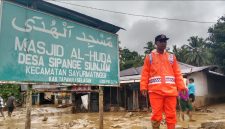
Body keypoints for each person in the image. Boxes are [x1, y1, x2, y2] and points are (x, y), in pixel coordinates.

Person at [140, 34, 187, 129]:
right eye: (161, 41)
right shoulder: (149, 57)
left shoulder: (171, 57)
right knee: (156, 115)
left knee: (171, 114)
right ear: (156, 43)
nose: (163, 43)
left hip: (171, 91)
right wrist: (143, 86)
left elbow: (177, 73)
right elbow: (145, 73)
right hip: (155, 92)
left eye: (165, 41)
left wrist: (182, 86)